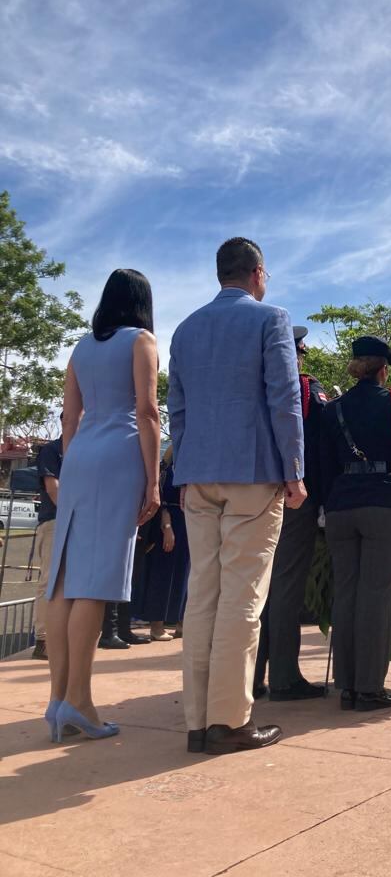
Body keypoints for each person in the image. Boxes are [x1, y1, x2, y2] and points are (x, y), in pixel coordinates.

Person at [168, 237, 306, 755]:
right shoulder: (271, 319)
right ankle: (228, 721)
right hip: (253, 472)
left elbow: (178, 409)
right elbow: (284, 398)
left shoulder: (185, 329)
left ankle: (198, 721)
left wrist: (184, 470)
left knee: (203, 593)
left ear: (219, 273)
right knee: (243, 597)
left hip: (198, 475)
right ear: (257, 273)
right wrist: (294, 471)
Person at [44, 269, 161, 742]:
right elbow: (147, 412)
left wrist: (74, 463)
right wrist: (154, 480)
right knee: (95, 581)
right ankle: (80, 701)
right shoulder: (141, 341)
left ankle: (58, 699)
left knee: (64, 579)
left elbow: (69, 418)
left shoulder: (80, 348)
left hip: (79, 458)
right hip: (119, 457)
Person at [322, 336, 391, 712]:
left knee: (346, 593)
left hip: (339, 508)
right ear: (383, 370)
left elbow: (323, 463)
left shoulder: (333, 408)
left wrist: (324, 505)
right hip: (383, 505)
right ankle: (368, 689)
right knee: (375, 596)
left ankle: (347, 686)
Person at [254, 326, 328, 701]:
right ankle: (284, 677)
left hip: (254, 493)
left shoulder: (257, 387)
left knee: (255, 586)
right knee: (285, 586)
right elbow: (318, 444)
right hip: (294, 496)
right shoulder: (303, 389)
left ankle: (250, 676)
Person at [138, 446, 190, 641]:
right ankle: (157, 626)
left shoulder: (191, 470)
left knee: (186, 576)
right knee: (163, 575)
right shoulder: (166, 472)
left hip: (189, 523)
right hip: (170, 525)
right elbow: (163, 502)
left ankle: (182, 624)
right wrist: (167, 527)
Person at [32, 428, 63, 660]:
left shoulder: (83, 450)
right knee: (50, 580)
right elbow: (53, 488)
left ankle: (62, 637)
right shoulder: (52, 450)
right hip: (55, 520)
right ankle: (43, 640)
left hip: (78, 523)